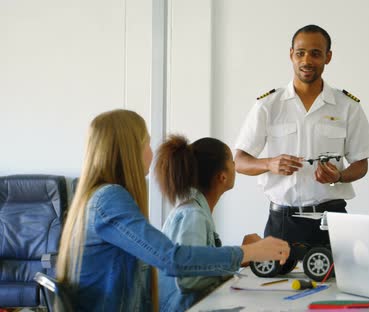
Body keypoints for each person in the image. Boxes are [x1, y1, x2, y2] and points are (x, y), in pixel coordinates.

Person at [55, 109, 290, 311]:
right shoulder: (109, 199)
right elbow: (172, 259)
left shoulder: (97, 198)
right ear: (130, 150)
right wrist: (247, 253)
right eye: (146, 142)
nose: (151, 150)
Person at [234, 24, 369, 245]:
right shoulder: (268, 105)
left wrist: (339, 176)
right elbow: (239, 162)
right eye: (300, 53)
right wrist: (269, 163)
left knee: (337, 280)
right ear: (291, 55)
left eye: (315, 53)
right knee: (276, 279)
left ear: (328, 57)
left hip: (331, 219)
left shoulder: (347, 106)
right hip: (282, 221)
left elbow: (361, 164)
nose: (307, 61)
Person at [154, 135, 263, 311]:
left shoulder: (197, 210)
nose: (235, 165)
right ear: (222, 177)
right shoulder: (193, 215)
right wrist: (241, 255)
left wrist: (241, 259)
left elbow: (200, 262)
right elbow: (189, 278)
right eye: (231, 161)